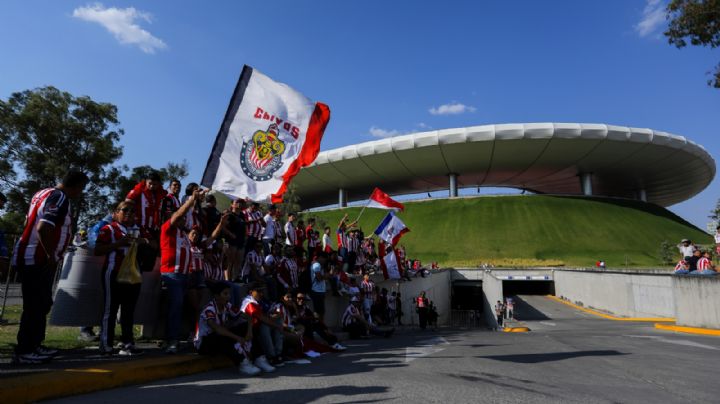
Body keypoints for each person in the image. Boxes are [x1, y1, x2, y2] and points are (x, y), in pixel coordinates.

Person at [12, 171, 89, 364]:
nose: (80, 193)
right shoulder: (60, 197)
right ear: (77, 185)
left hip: (30, 255)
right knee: (35, 305)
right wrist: (50, 254)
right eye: (81, 188)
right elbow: (43, 227)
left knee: (42, 303)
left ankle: (35, 344)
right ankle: (25, 350)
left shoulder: (43, 193)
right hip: (37, 258)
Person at [94, 200, 147, 356]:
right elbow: (97, 250)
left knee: (128, 311)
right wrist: (119, 243)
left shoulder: (138, 230)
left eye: (132, 211)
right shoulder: (108, 229)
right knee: (110, 310)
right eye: (125, 210)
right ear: (115, 213)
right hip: (114, 273)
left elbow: (153, 244)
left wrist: (142, 241)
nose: (129, 213)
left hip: (133, 275)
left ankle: (127, 343)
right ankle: (106, 344)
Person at [160, 187, 204, 354]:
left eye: (184, 218)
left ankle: (176, 338)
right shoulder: (167, 229)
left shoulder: (184, 234)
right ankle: (172, 340)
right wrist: (191, 200)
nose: (183, 219)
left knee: (181, 308)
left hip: (185, 277)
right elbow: (178, 214)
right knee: (175, 307)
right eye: (181, 217)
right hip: (172, 275)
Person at [195, 282, 261, 376]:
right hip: (205, 343)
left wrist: (249, 331)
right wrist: (237, 337)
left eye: (229, 293)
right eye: (225, 294)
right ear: (217, 296)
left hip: (219, 336)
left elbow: (248, 316)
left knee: (248, 327)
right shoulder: (209, 310)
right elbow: (218, 330)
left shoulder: (227, 305)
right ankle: (243, 364)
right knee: (224, 337)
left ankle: (259, 357)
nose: (229, 296)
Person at [125, 171, 166, 272]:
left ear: (159, 184)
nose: (152, 186)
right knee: (134, 254)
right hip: (137, 227)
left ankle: (142, 281)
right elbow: (127, 202)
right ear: (146, 182)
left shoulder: (161, 194)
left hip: (153, 229)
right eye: (150, 183)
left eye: (154, 184)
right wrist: (132, 219)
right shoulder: (139, 190)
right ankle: (130, 277)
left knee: (150, 257)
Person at [240, 282, 283, 370]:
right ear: (251, 292)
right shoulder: (249, 302)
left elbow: (271, 310)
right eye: (259, 291)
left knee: (277, 321)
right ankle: (271, 356)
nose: (261, 294)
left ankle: (278, 354)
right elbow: (262, 318)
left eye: (262, 291)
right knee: (267, 325)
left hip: (256, 328)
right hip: (247, 330)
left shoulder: (259, 300)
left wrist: (276, 316)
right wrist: (278, 325)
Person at [224, 198, 247, 282]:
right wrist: (230, 234)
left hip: (240, 241)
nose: (239, 204)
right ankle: (227, 279)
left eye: (240, 202)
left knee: (238, 261)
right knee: (230, 261)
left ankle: (235, 278)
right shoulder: (229, 214)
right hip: (231, 241)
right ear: (232, 204)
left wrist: (245, 236)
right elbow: (223, 227)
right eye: (236, 202)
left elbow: (244, 226)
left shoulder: (242, 215)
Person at [309, 252, 331, 322]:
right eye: (324, 259)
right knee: (319, 312)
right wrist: (326, 275)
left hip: (320, 291)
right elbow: (319, 278)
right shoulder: (317, 264)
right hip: (317, 291)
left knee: (320, 311)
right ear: (320, 257)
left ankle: (320, 327)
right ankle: (318, 327)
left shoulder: (318, 265)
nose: (325, 261)